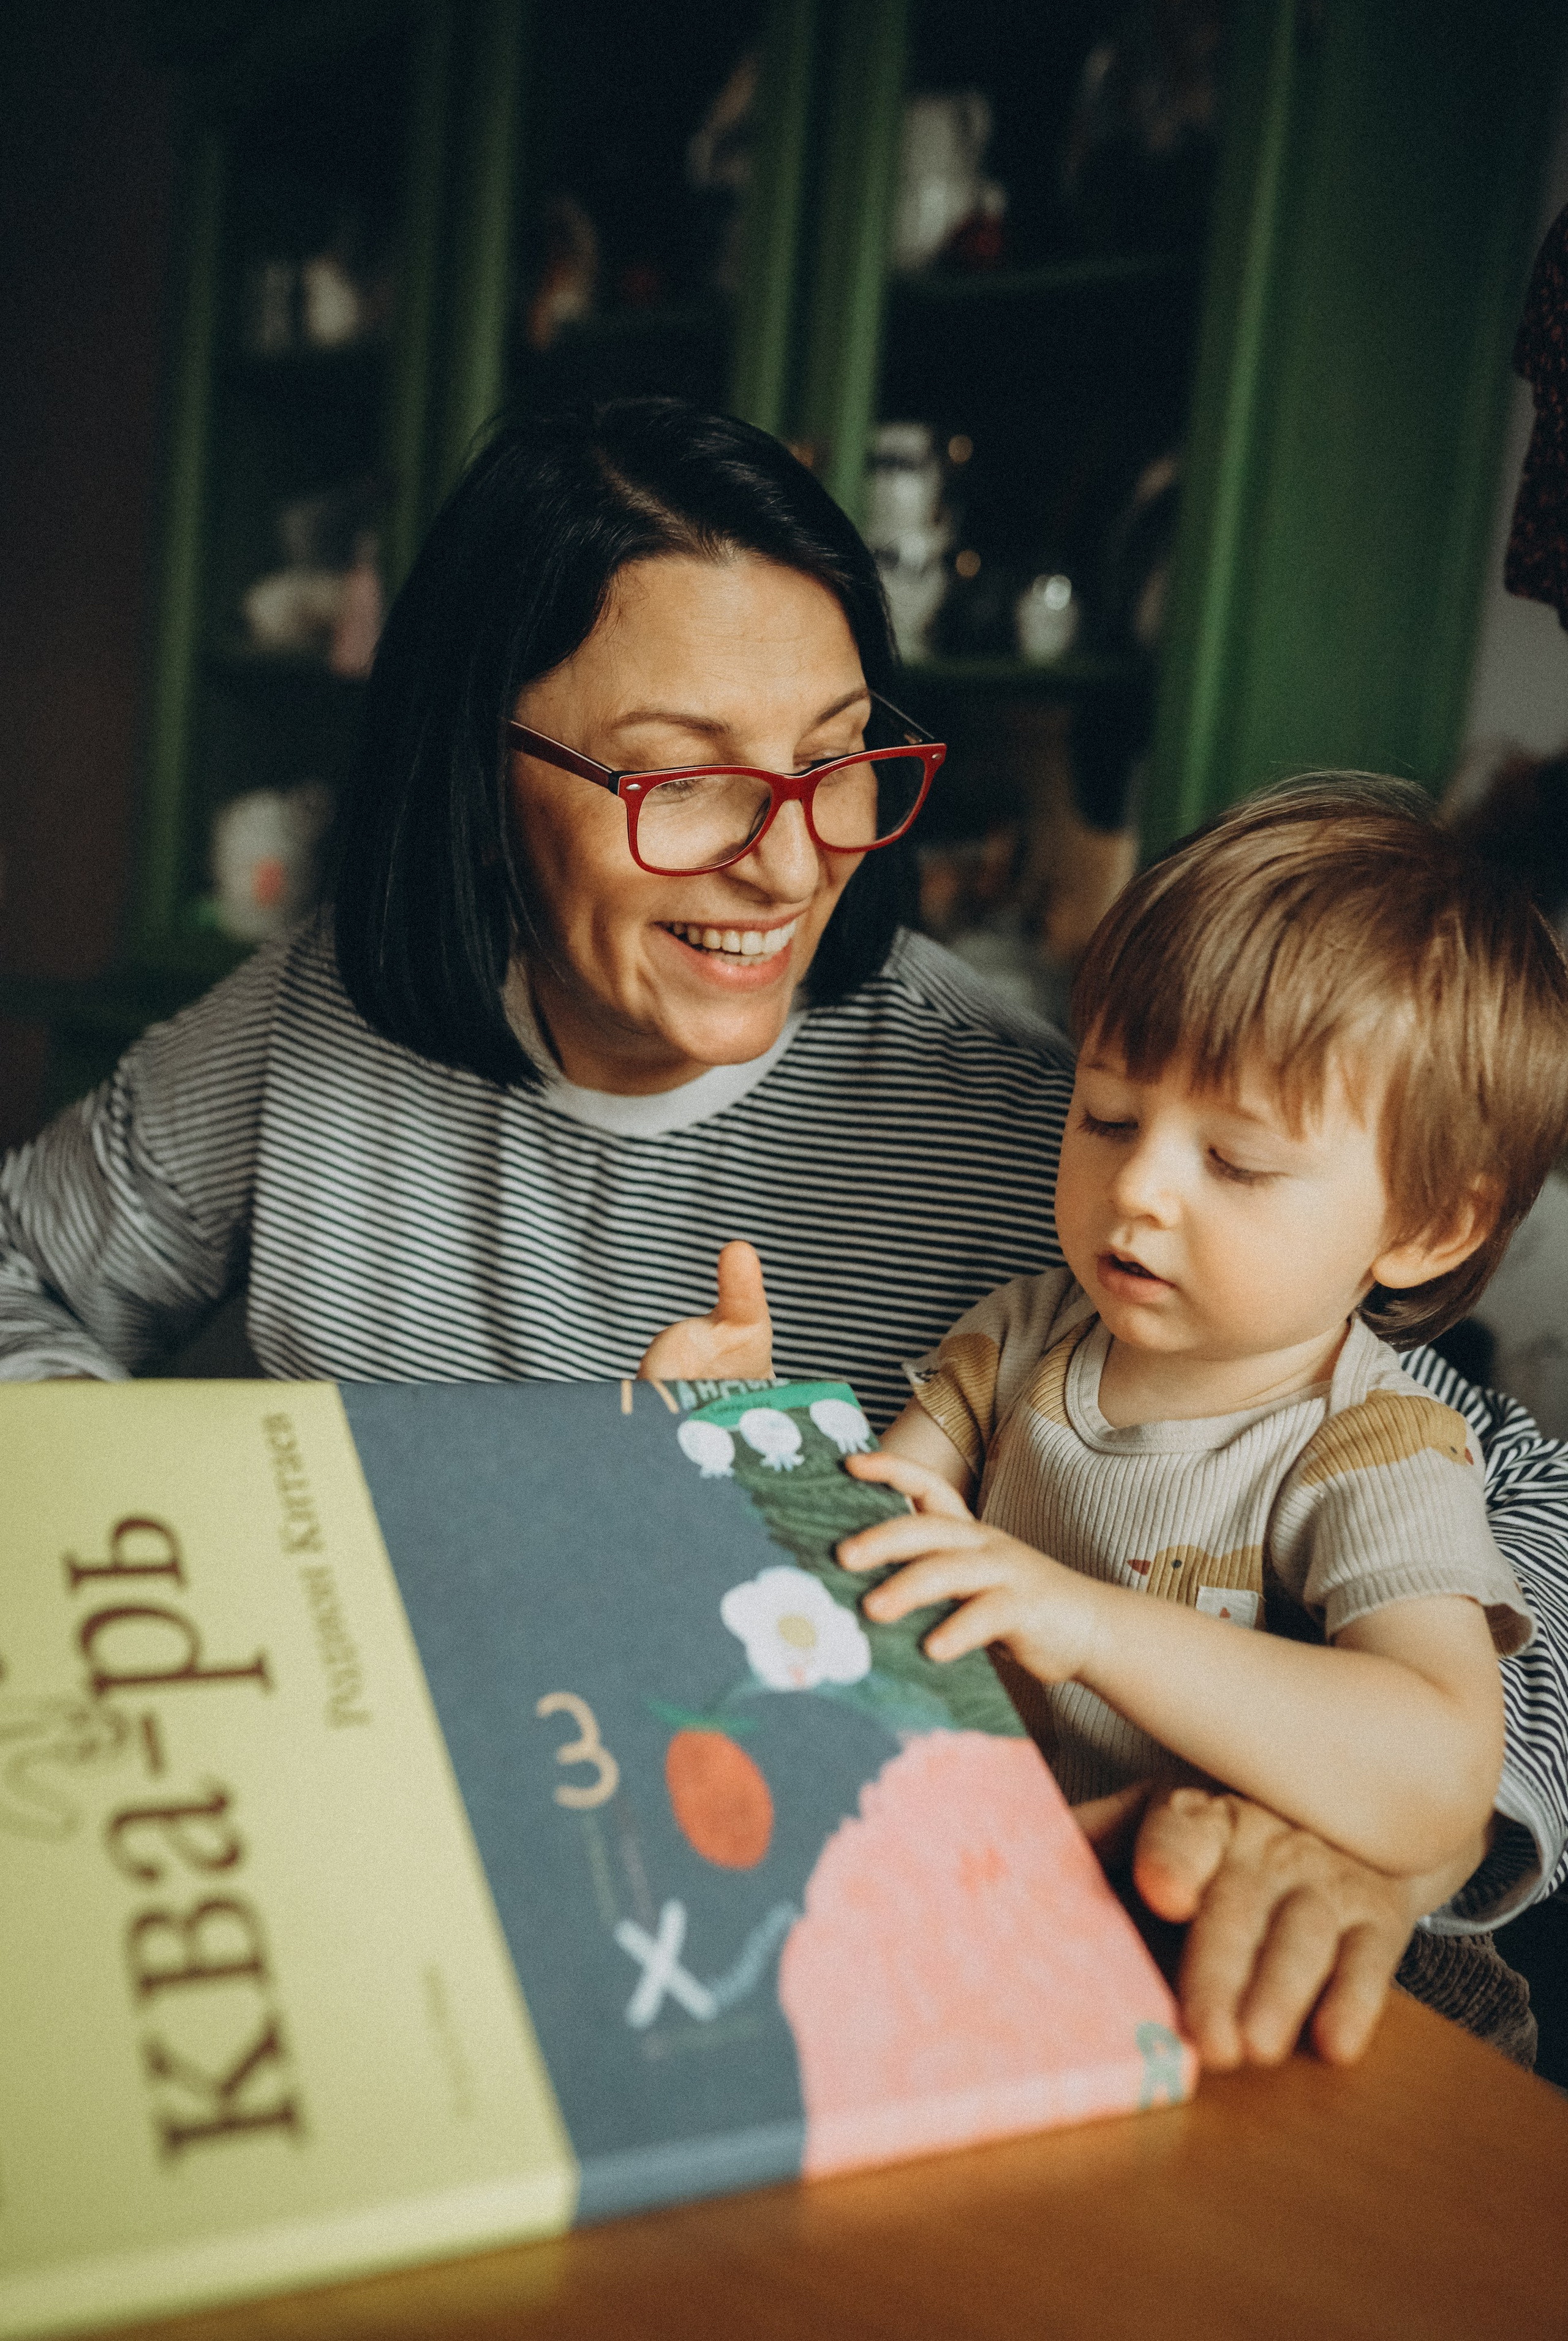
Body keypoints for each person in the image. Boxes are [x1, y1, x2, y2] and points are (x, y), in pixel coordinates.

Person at [1, 400, 1564, 2065]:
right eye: (684, 779)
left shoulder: (1059, 1137)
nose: (783, 860)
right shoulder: (308, 1027)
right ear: (477, 777)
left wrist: (1381, 1818)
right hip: (392, 1878)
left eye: (834, 765)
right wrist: (161, 1559)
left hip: (839, 1966)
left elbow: (1490, 1480)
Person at [823, 781, 1565, 1897]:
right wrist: (760, 1455)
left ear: (1430, 1226)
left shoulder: (1375, 1450)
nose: (1140, 1188)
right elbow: (866, 1561)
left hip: (1269, 1956)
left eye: (1238, 1163)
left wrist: (1086, 1625)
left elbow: (1437, 1775)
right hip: (1003, 1892)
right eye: (1107, 1117)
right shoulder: (1016, 1339)